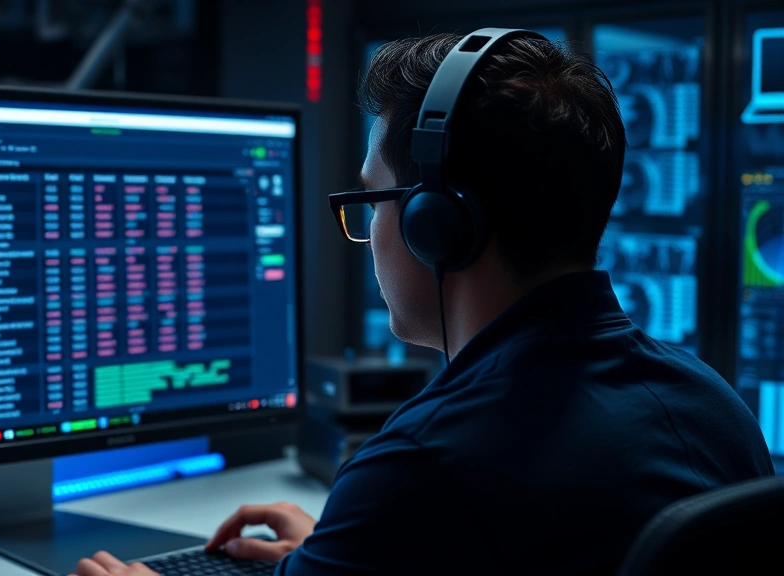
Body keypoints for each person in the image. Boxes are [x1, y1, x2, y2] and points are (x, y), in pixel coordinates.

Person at [72, 32, 774, 576]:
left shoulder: (424, 465)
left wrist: (367, 530)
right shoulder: (711, 404)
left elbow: (442, 511)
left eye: (373, 199)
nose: (368, 232)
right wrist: (343, 550)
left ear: (436, 224)